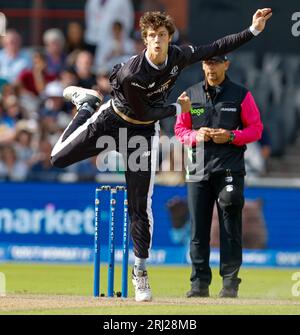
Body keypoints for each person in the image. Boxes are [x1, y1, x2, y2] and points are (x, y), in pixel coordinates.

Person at [51, 9, 272, 302]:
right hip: (112, 122)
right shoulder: (132, 72)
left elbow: (217, 46)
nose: (157, 41)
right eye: (152, 36)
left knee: (140, 206)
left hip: (141, 135)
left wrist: (253, 29)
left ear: (170, 39)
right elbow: (145, 111)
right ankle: (86, 106)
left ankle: (140, 273)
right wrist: (178, 109)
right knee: (58, 158)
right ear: (145, 40)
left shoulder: (179, 56)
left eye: (162, 35)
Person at [175, 54, 264, 298]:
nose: (210, 68)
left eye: (215, 63)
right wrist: (196, 136)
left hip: (229, 169)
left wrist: (232, 136)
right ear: (202, 66)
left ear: (227, 64)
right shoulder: (189, 95)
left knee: (230, 221)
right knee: (198, 229)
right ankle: (199, 284)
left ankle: (230, 283)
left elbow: (256, 129)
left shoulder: (241, 94)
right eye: (206, 63)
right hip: (198, 170)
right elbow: (180, 130)